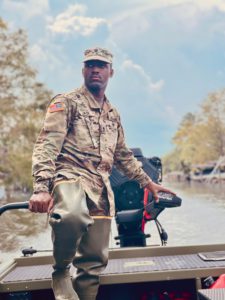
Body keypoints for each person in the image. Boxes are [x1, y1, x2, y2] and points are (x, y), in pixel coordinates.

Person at [29, 47, 174, 300]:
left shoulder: (113, 114)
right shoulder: (66, 102)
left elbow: (123, 156)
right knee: (71, 216)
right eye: (90, 65)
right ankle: (61, 270)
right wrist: (41, 187)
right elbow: (47, 145)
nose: (96, 69)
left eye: (101, 65)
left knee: (93, 264)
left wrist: (149, 183)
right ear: (83, 70)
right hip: (70, 178)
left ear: (111, 72)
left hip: (102, 190)